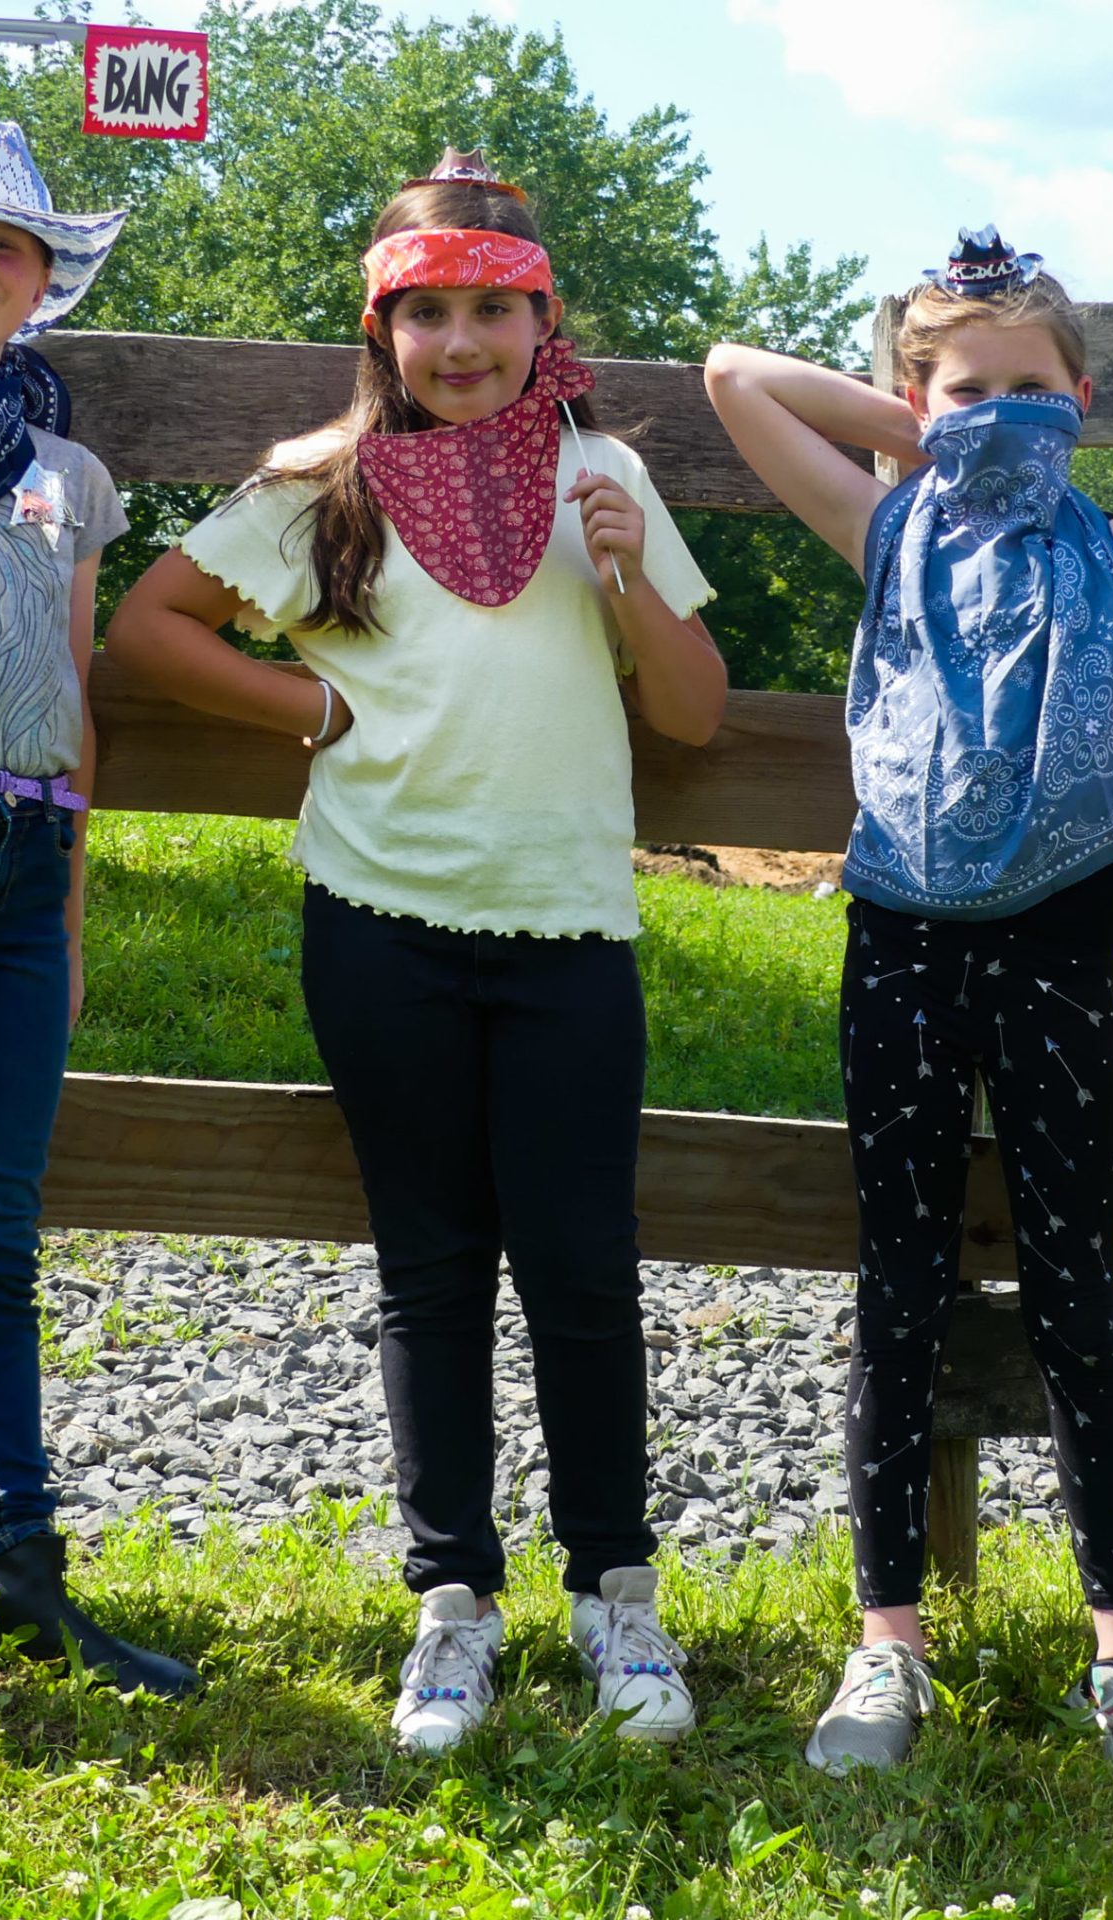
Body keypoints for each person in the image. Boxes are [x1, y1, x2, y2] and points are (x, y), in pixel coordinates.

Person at [107, 149, 726, 1753]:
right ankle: (452, 1606)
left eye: (495, 311)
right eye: (429, 312)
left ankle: (617, 1598)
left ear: (543, 320)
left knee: (585, 1267)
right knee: (432, 1269)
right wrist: (307, 704)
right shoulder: (324, 479)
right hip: (380, 924)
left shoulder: (607, 475)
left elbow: (698, 711)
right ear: (384, 328)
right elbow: (150, 629)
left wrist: (624, 582)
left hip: (571, 927)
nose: (463, 343)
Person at [705, 226, 1113, 1796]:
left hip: (1068, 956)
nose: (997, 412)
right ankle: (888, 1642)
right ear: (914, 401)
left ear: (1083, 396)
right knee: (903, 1289)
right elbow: (733, 376)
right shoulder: (888, 524)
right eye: (963, 388)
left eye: (1028, 388)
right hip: (906, 951)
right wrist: (914, 426)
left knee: (1081, 1298)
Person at [0, 112, 198, 1696]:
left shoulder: (70, 473)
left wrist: (77, 906)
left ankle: (17, 1574)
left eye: (3, 244)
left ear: (42, 285)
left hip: (24, 870)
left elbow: (78, 689)